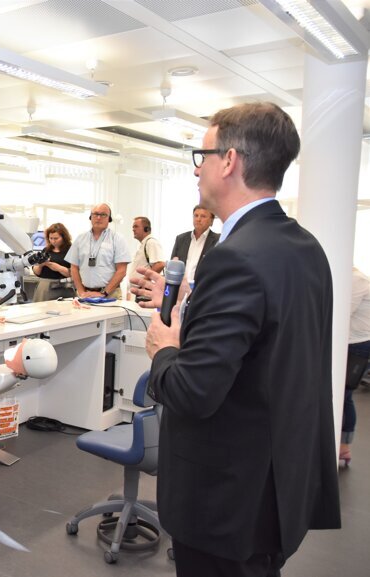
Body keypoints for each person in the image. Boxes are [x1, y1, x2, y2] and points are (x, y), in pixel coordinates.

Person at [134, 102, 340, 576]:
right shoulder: (304, 247)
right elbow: (267, 351)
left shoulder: (235, 259)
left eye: (200, 156)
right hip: (275, 488)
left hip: (224, 499)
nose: (196, 171)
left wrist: (164, 348)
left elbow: (193, 392)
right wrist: (193, 309)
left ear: (228, 161)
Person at [65, 203, 130, 299]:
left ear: (109, 219)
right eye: (95, 214)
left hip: (110, 295)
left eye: (103, 215)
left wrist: (104, 293)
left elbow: (122, 271)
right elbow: (74, 268)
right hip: (85, 294)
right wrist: (81, 291)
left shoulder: (117, 239)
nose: (98, 218)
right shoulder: (80, 239)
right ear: (90, 217)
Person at [342, 266, 370, 466]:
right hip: (349, 342)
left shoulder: (357, 280)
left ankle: (344, 446)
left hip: (357, 345)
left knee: (345, 394)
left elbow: (343, 312)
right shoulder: (350, 278)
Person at [170, 205, 219, 282]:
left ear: (211, 221)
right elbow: (173, 265)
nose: (198, 219)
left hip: (203, 288)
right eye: (196, 216)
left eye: (203, 216)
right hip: (181, 287)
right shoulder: (181, 239)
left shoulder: (218, 240)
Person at [31, 222, 75, 301]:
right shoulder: (46, 250)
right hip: (45, 288)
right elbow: (37, 272)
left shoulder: (71, 250)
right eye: (51, 238)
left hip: (64, 288)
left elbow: (75, 274)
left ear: (64, 237)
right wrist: (41, 265)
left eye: (56, 238)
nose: (53, 241)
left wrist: (58, 268)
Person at [127, 216, 165, 302]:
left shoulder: (151, 242)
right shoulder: (144, 244)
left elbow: (160, 264)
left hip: (145, 290)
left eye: (136, 226)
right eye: (133, 227)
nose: (133, 229)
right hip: (139, 291)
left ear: (146, 229)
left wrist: (144, 280)